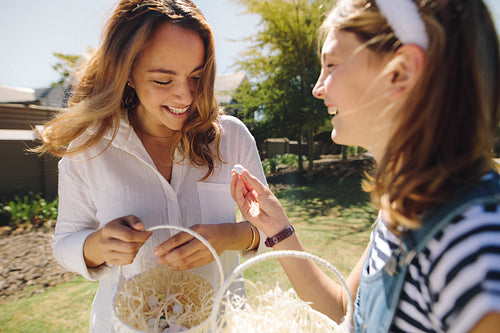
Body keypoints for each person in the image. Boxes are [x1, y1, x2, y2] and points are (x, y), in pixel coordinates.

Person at [231, 0, 500, 332]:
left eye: (330, 65)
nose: (317, 88)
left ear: (400, 74)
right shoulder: (405, 207)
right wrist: (278, 229)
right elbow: (346, 309)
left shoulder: (471, 246)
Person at [35, 0, 267, 331]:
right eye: (163, 80)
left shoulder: (231, 138)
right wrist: (99, 245)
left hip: (221, 323)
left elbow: (271, 229)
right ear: (127, 73)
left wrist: (227, 236)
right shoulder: (88, 151)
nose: (185, 96)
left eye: (196, 76)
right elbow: (64, 244)